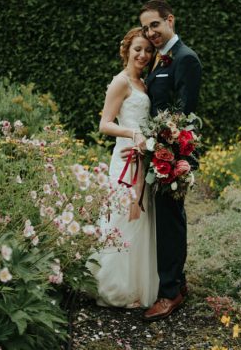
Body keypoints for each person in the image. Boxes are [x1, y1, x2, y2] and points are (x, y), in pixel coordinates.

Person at [139, 0, 202, 321]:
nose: (150, 32)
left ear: (170, 21)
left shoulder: (185, 59)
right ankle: (176, 280)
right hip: (155, 151)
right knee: (163, 220)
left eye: (155, 25)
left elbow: (185, 114)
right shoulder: (158, 59)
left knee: (169, 222)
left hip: (174, 154)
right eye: (146, 27)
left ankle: (170, 294)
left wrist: (175, 159)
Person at [90, 27, 159, 308]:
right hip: (126, 160)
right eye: (138, 49)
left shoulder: (143, 83)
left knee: (141, 218)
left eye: (148, 50)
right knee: (121, 218)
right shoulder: (121, 82)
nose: (143, 55)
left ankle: (137, 287)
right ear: (127, 51)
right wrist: (133, 135)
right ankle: (115, 287)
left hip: (144, 159)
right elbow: (105, 123)